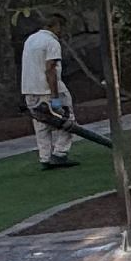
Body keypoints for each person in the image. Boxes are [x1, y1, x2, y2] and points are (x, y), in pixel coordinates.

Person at [21, 14, 77, 170]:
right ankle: (60, 154)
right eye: (62, 28)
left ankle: (45, 157)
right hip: (46, 88)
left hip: (29, 89)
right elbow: (50, 69)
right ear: (57, 26)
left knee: (41, 124)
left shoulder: (30, 40)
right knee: (68, 120)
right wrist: (55, 97)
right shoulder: (52, 42)